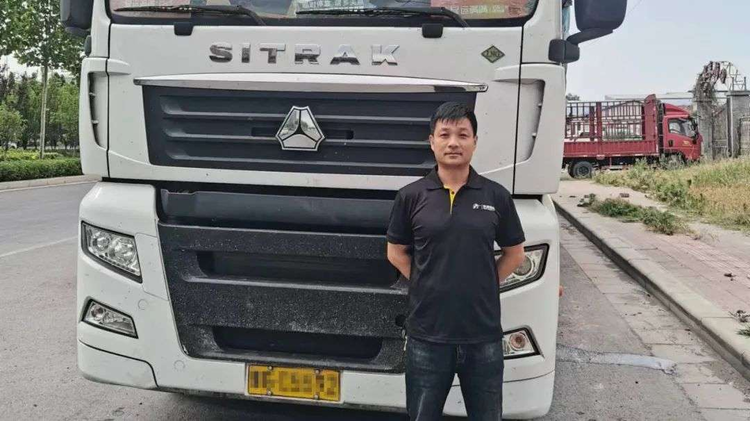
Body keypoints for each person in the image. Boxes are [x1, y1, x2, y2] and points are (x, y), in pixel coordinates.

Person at [386, 102, 526, 421]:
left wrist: (484, 284)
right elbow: (395, 252)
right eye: (445, 134)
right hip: (427, 335)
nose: (453, 143)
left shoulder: (496, 196)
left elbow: (515, 253)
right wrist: (425, 282)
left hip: (482, 335)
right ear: (431, 141)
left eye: (463, 135)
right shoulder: (411, 196)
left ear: (474, 141)